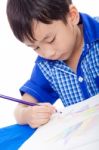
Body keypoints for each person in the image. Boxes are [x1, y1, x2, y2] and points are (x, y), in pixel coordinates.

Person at [0, 0, 99, 149]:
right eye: (36, 47)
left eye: (51, 40)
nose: (48, 53)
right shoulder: (46, 66)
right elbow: (19, 111)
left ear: (72, 16)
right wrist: (29, 115)